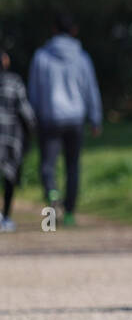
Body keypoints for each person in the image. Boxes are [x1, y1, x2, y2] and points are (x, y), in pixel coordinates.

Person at [26, 13, 102, 227]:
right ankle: (69, 213)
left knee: (48, 165)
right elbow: (91, 90)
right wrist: (95, 118)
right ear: (74, 31)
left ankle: (52, 192)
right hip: (75, 118)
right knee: (72, 166)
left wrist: (32, 119)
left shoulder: (41, 57)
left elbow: (34, 91)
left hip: (50, 118)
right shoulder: (82, 58)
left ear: (53, 29)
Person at [0, 49, 36, 232]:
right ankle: (5, 217)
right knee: (9, 177)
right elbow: (25, 111)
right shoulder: (14, 82)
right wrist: (33, 129)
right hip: (9, 138)